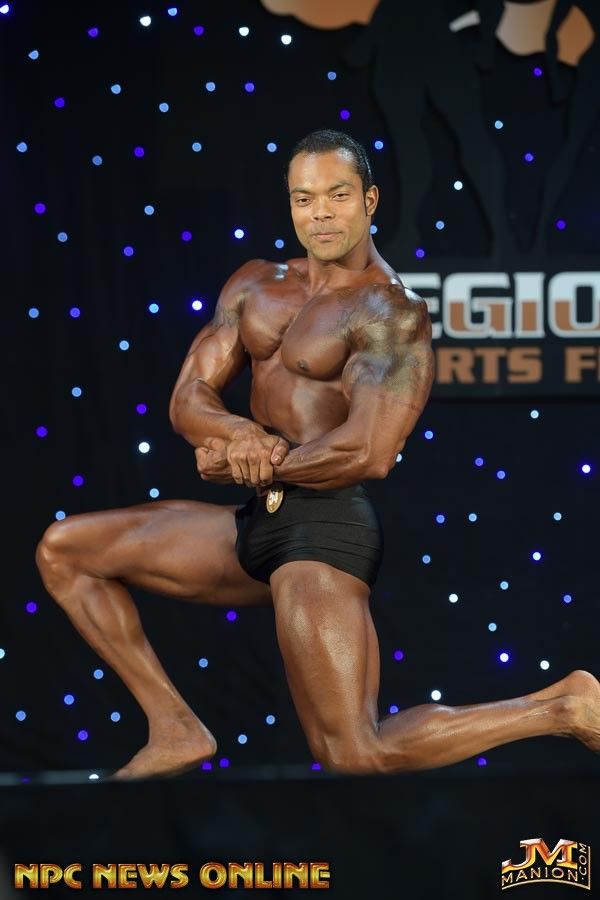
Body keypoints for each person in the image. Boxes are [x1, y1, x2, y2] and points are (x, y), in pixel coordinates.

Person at [36, 129, 600, 779]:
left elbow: (369, 450)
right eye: (304, 199)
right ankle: (174, 726)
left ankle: (561, 708)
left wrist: (254, 460)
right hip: (257, 519)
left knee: (354, 752)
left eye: (337, 195)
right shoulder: (255, 283)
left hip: (322, 527)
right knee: (66, 551)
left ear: (370, 200)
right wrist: (239, 435)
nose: (321, 213)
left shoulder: (390, 311)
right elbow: (188, 397)